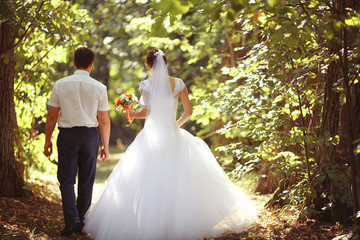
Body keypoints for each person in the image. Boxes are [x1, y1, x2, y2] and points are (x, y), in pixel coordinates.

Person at [83, 49, 257, 240]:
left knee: (148, 179)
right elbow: (188, 111)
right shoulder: (179, 84)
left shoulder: (146, 85)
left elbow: (145, 113)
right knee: (176, 180)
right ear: (165, 64)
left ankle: (150, 224)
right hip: (173, 136)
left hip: (151, 137)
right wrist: (174, 125)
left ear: (149, 65)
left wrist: (130, 113)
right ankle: (175, 225)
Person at [43, 47, 111, 236]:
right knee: (86, 180)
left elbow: (51, 116)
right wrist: (105, 145)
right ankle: (80, 223)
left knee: (66, 179)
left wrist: (47, 140)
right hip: (90, 137)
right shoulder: (99, 87)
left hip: (67, 137)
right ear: (91, 65)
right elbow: (104, 120)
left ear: (74, 62)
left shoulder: (60, 84)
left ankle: (71, 219)